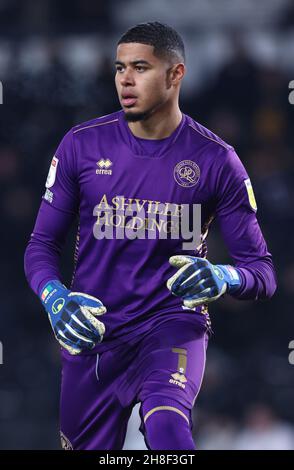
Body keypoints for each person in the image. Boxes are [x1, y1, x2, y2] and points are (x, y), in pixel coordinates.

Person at [24, 21, 277, 450]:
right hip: (95, 330)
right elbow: (41, 245)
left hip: (172, 325)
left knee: (168, 431)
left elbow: (262, 272)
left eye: (140, 67)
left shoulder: (216, 160)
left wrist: (223, 277)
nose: (125, 78)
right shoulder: (81, 146)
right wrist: (54, 297)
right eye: (119, 67)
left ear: (176, 74)